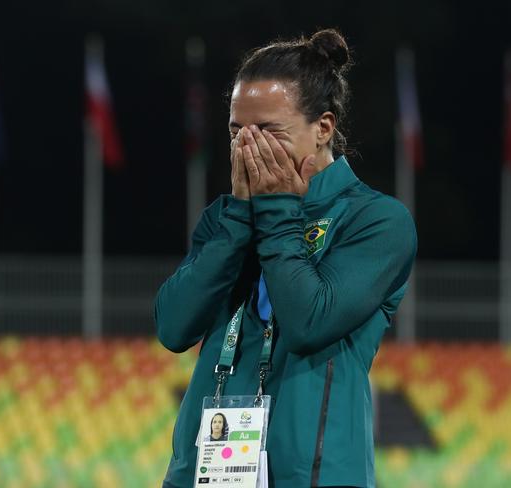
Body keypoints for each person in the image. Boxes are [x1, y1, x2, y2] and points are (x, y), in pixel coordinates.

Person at [155, 28, 417, 488]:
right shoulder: (227, 218)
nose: (248, 146)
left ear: (323, 128)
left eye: (268, 131)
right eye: (237, 131)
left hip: (315, 476)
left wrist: (276, 211)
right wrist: (239, 219)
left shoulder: (376, 221)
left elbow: (308, 320)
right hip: (206, 475)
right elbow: (173, 327)